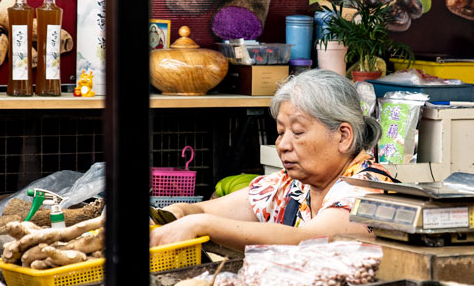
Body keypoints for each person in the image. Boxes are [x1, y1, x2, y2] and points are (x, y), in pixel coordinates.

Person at [149, 69, 391, 250]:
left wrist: (202, 224)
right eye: (280, 132)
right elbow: (201, 209)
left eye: (298, 132)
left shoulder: (367, 188)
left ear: (343, 136)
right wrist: (177, 212)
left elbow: (306, 240)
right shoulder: (290, 186)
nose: (283, 145)